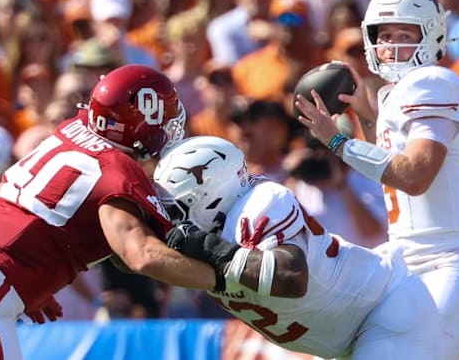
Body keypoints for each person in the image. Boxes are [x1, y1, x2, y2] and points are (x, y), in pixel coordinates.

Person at [0, 65, 224, 359]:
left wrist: (30, 270)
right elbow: (142, 254)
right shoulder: (116, 168)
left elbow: (8, 199)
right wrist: (221, 278)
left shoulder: (69, 131)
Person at [294, 0, 459, 360]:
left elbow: (414, 177)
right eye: (384, 35)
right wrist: (370, 121)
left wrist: (338, 142)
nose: (392, 45)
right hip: (405, 255)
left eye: (405, 34)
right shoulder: (395, 94)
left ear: (432, 34)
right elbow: (389, 167)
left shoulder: (433, 83)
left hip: (449, 257)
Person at [154, 135, 441, 359]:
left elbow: (290, 276)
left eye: (176, 210)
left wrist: (210, 249)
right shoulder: (217, 229)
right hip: (345, 339)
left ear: (208, 195)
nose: (172, 221)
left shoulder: (260, 203)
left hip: (384, 309)